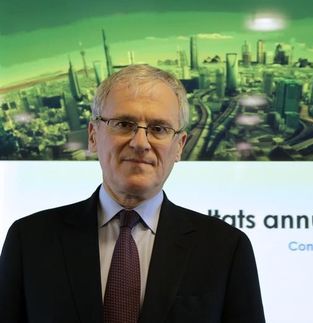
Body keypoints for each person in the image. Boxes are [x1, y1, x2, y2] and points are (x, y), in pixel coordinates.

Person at [0, 64, 266, 323]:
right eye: (124, 124)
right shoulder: (29, 240)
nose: (140, 143)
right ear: (93, 135)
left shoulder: (226, 248)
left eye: (159, 129)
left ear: (179, 147)